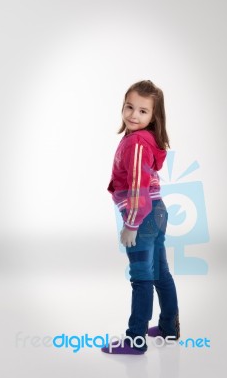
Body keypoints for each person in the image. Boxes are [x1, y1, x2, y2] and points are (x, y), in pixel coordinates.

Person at [102, 80, 180, 355]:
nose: (134, 115)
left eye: (143, 111)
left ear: (154, 117)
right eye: (129, 107)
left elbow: (138, 188)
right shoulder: (144, 139)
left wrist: (131, 225)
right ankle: (169, 328)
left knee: (142, 277)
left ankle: (135, 339)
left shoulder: (136, 142)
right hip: (157, 211)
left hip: (143, 215)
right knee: (160, 272)